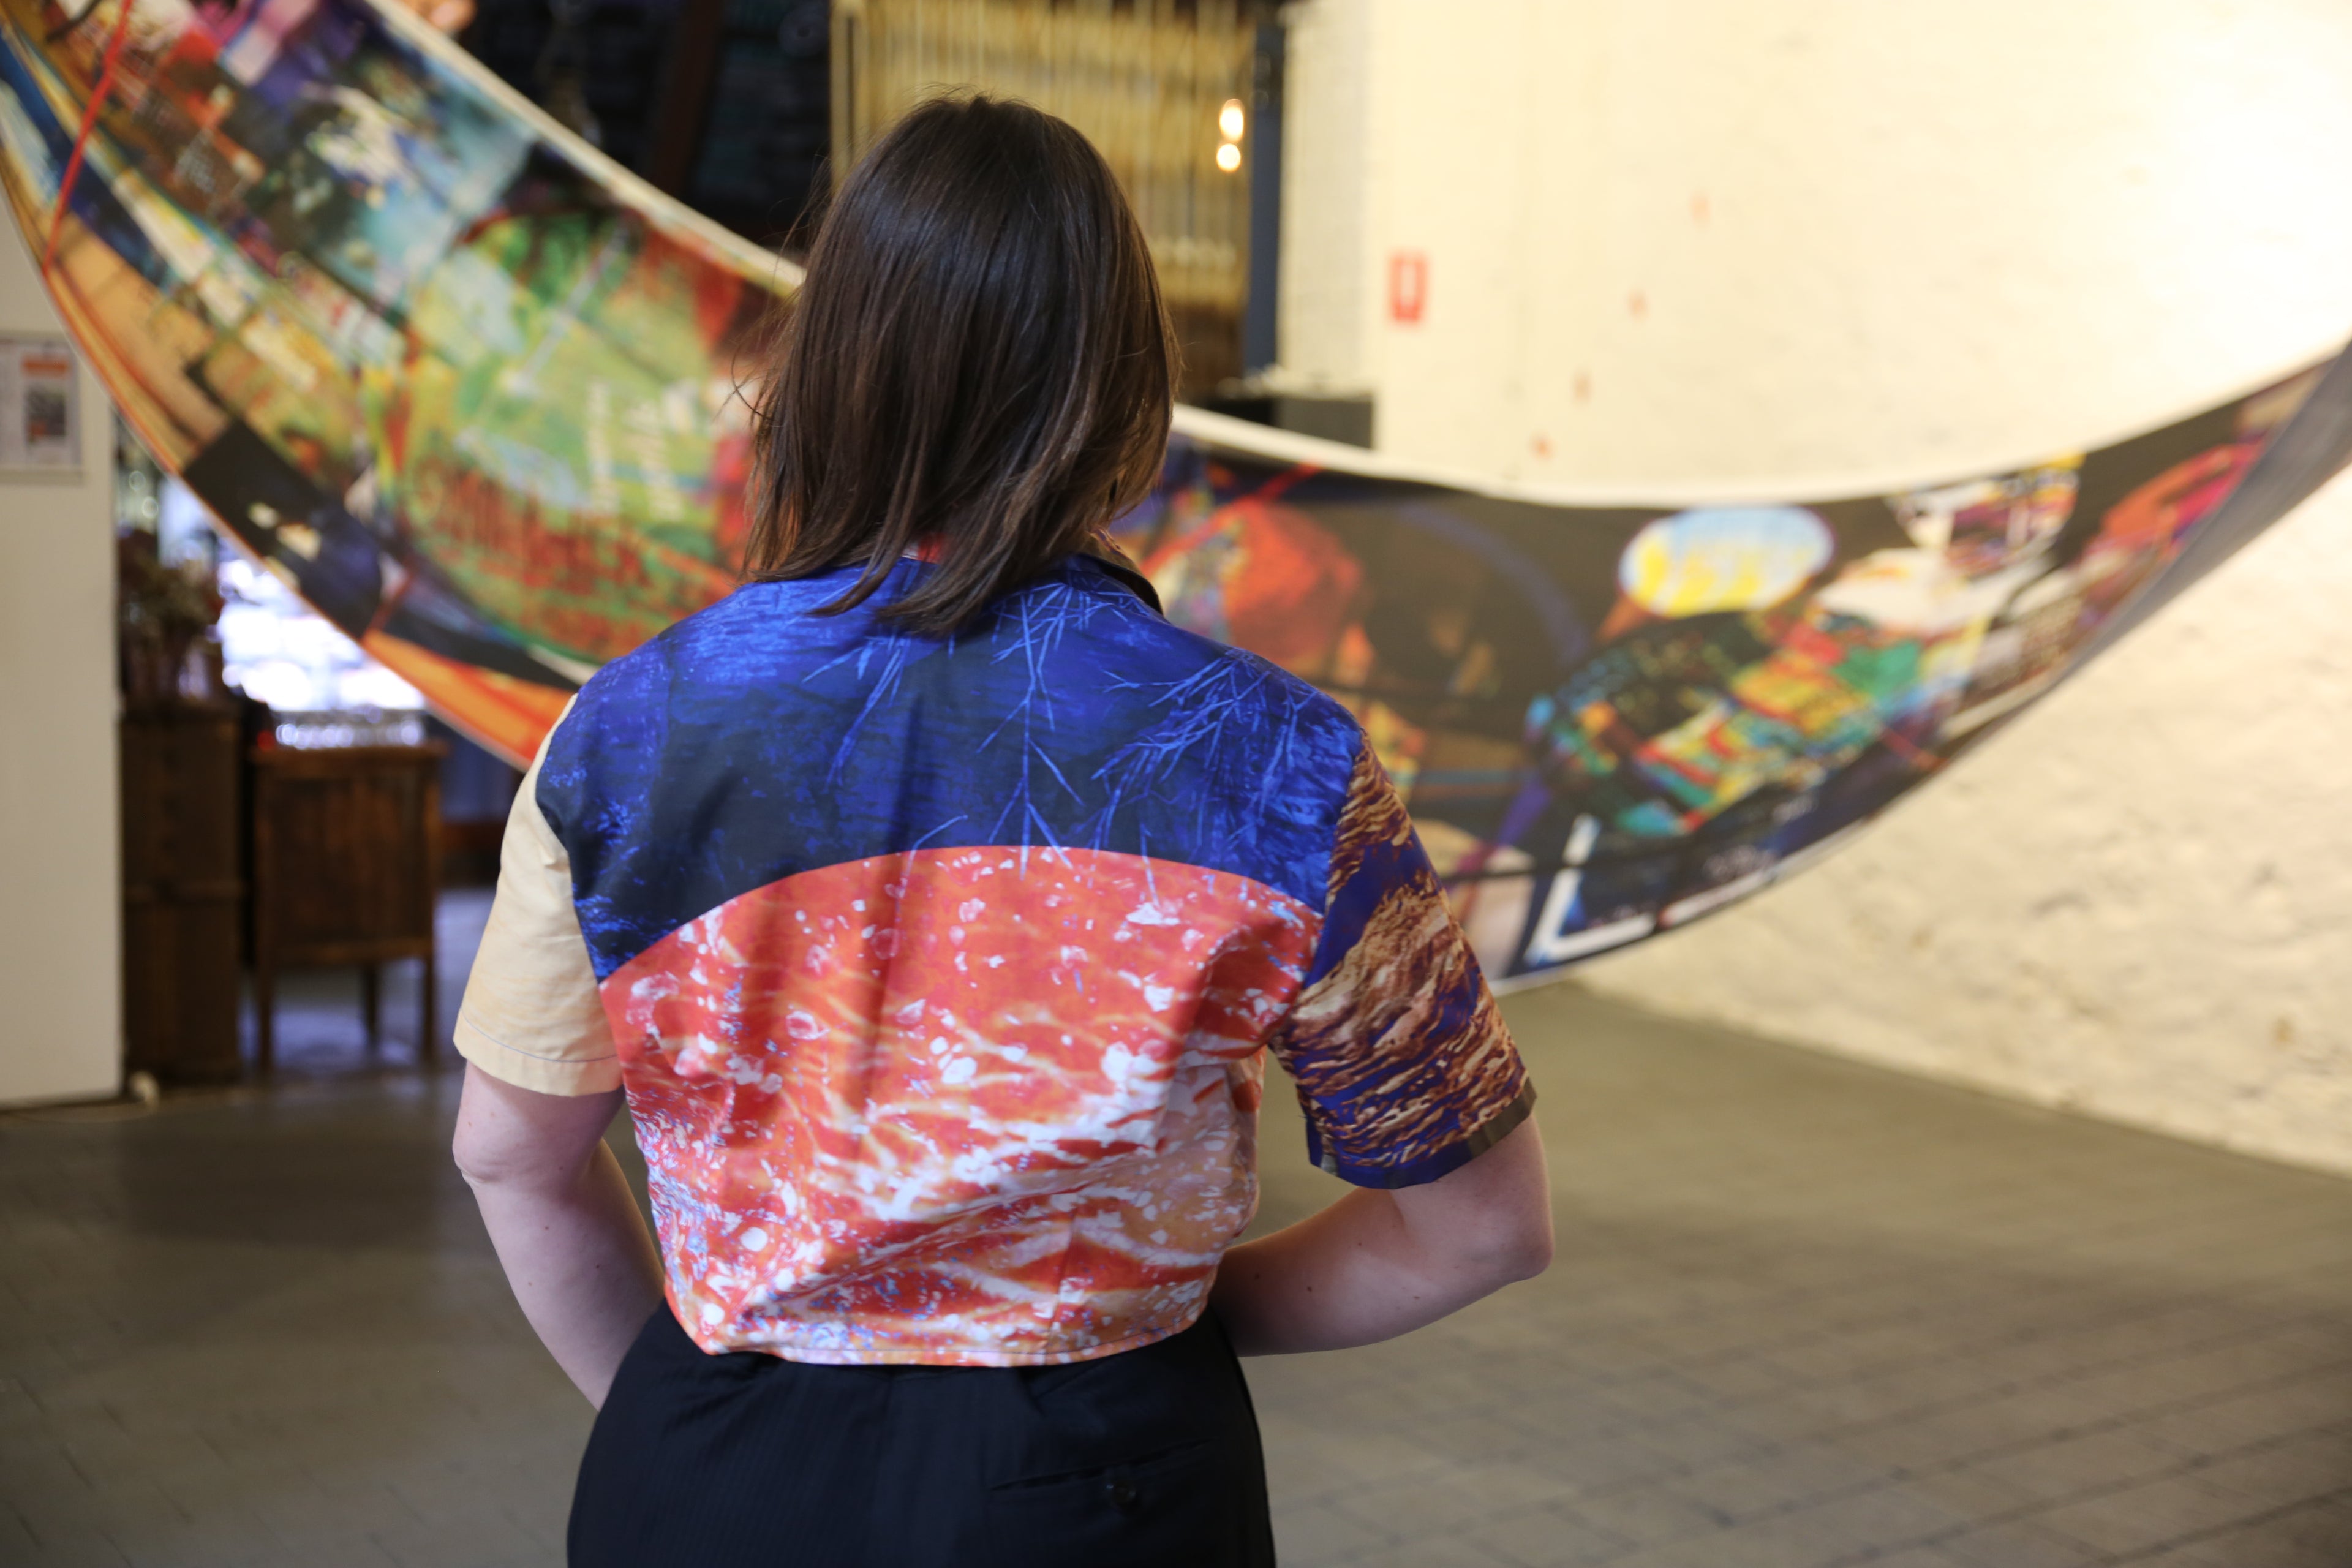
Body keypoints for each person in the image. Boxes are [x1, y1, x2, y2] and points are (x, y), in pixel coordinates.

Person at [450, 92, 1553, 1568]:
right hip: (1106, 1485)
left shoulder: (621, 735)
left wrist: (689, 1426)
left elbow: (510, 1156)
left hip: (709, 1472)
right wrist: (1155, 1312)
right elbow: (1481, 1228)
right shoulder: (1278, 763)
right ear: (1126, 393)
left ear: (822, 373)